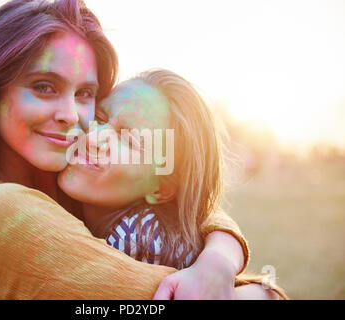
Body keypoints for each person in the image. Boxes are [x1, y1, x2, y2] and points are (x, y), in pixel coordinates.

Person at [0, 0, 264, 299]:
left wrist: (219, 255)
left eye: (84, 95)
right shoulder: (2, 212)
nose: (72, 117)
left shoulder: (67, 187)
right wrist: (260, 289)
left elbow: (188, 203)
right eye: (44, 86)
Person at [58, 69, 286, 299]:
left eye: (128, 139)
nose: (93, 138)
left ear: (161, 189)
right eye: (99, 118)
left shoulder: (136, 240)